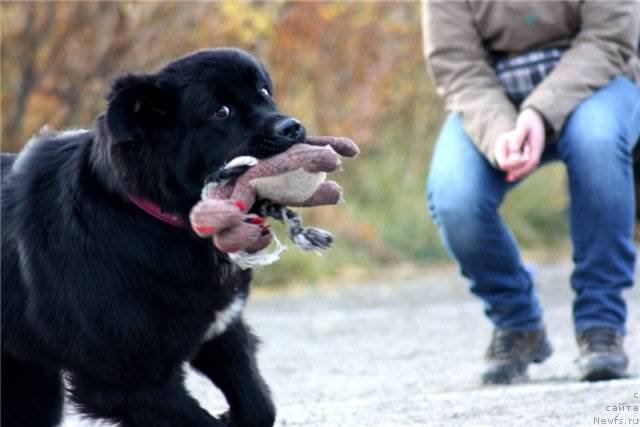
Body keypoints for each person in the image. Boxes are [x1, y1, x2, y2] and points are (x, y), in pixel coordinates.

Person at [422, 1, 640, 384]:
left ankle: (600, 323)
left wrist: (539, 113)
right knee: (455, 198)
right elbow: (457, 66)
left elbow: (609, 38)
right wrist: (500, 131)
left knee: (597, 145)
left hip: (599, 81)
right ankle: (517, 322)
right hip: (494, 101)